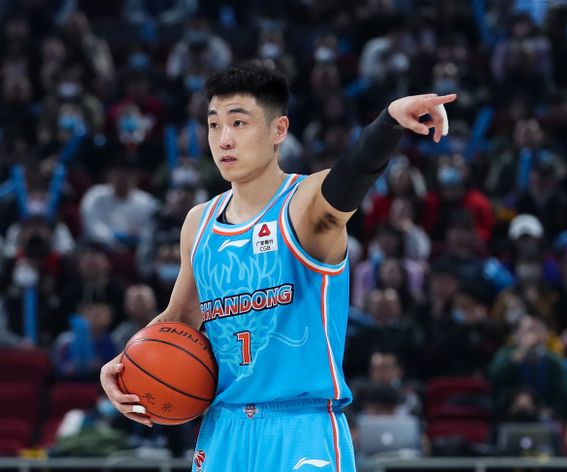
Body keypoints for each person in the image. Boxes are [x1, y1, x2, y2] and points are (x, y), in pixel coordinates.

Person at [100, 63, 455, 471]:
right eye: (214, 125)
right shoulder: (199, 222)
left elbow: (351, 176)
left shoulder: (303, 203)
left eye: (239, 122)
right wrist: (124, 365)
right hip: (224, 429)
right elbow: (178, 319)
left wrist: (388, 122)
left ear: (279, 130)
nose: (224, 138)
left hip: (301, 427)